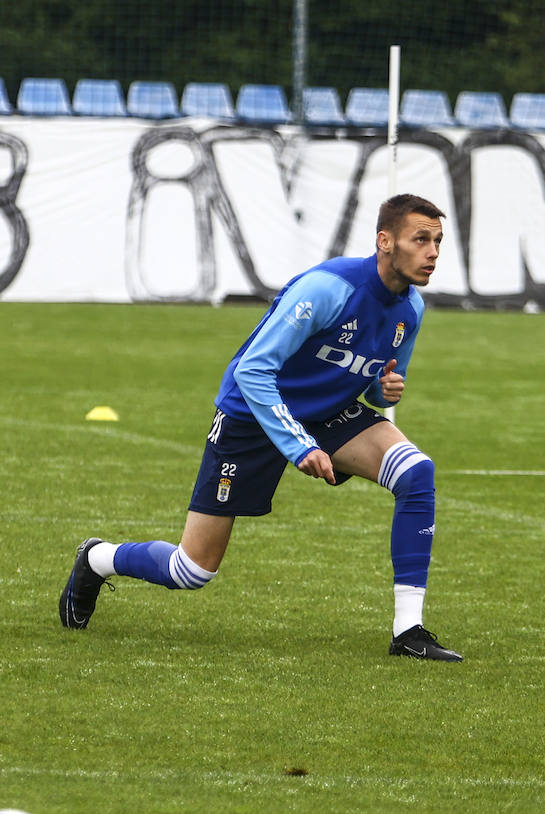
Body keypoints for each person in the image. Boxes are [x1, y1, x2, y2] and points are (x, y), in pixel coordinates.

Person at [59, 193, 464, 662]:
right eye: (421, 239)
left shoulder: (411, 310)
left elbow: (376, 385)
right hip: (251, 414)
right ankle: (97, 557)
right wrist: (298, 445)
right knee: (192, 570)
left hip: (326, 412)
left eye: (437, 241)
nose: (433, 252)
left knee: (416, 473)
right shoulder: (327, 289)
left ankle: (408, 632)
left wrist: (384, 389)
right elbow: (253, 371)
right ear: (384, 241)